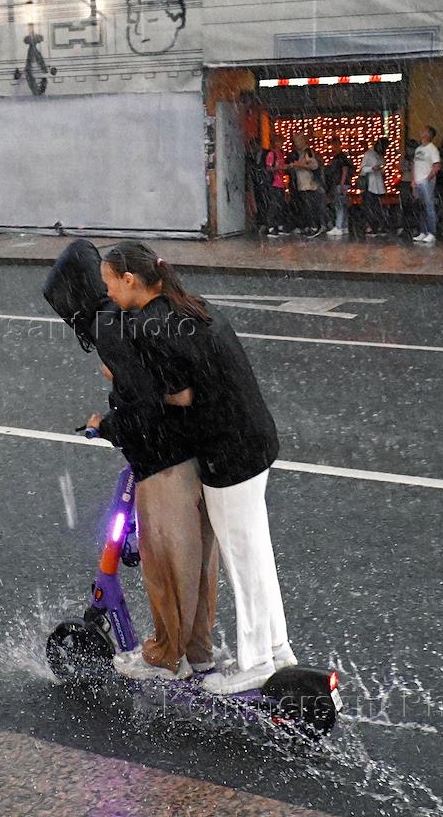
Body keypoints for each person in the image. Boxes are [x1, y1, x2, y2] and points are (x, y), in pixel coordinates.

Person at [100, 241, 295, 695]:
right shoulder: (186, 304)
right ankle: (278, 648)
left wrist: (128, 381)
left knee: (243, 559)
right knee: (257, 554)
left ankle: (258, 663)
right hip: (254, 436)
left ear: (130, 280)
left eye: (110, 283)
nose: (107, 293)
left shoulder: (151, 325)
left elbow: (182, 395)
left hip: (227, 449)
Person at [43, 240, 218, 681]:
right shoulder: (126, 314)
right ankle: (197, 652)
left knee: (165, 566)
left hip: (161, 461)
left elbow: (142, 402)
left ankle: (163, 657)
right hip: (192, 451)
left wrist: (108, 426)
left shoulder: (106, 325)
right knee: (195, 567)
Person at [288, 133, 326, 237]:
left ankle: (314, 227)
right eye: (295, 142)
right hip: (303, 185)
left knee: (310, 208)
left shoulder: (307, 152)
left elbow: (314, 165)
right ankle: (311, 226)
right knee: (306, 208)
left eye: (298, 141)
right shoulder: (301, 153)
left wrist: (298, 165)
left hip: (309, 185)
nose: (296, 144)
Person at [411, 126, 441, 243]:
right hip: (418, 181)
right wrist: (413, 180)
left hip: (426, 181)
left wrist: (427, 179)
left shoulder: (432, 149)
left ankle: (431, 232)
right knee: (421, 207)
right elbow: (414, 165)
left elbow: (436, 166)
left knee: (429, 207)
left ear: (428, 134)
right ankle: (423, 232)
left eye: (424, 131)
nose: (421, 132)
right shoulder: (418, 149)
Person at [358, 137, 389, 234]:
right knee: (369, 206)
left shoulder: (380, 156)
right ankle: (370, 226)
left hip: (379, 185)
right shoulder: (368, 154)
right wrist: (372, 168)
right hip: (369, 184)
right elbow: (362, 170)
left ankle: (379, 225)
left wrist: (381, 169)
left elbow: (383, 168)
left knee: (378, 207)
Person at [324, 135, 352, 237]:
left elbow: (345, 170)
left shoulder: (340, 157)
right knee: (343, 205)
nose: (333, 147)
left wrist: (342, 183)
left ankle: (339, 226)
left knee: (339, 205)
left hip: (341, 184)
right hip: (343, 183)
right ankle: (344, 226)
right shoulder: (342, 156)